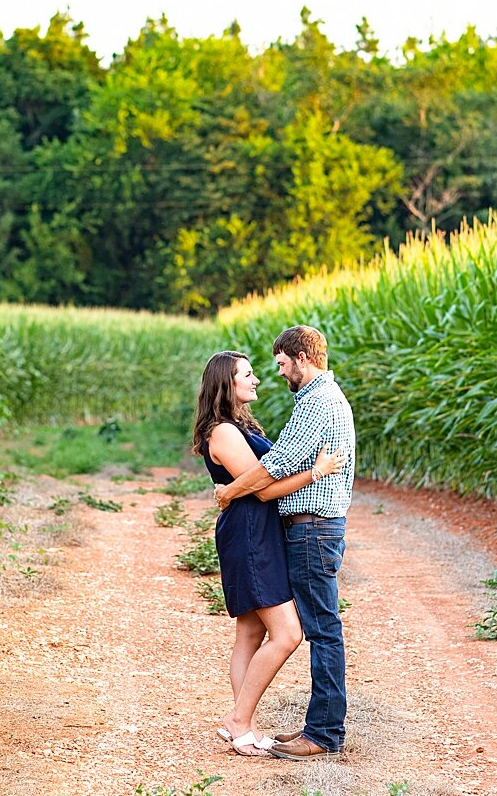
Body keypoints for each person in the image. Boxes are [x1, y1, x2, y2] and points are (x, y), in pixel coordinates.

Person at [215, 325, 355, 761]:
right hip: (287, 529)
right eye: (252, 372)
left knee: (319, 630)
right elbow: (272, 471)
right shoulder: (317, 401)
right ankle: (248, 724)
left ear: (301, 358)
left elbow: (271, 469)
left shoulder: (317, 403)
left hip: (311, 528)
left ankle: (323, 732)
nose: (275, 374)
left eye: (279, 365)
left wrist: (230, 491)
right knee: (273, 630)